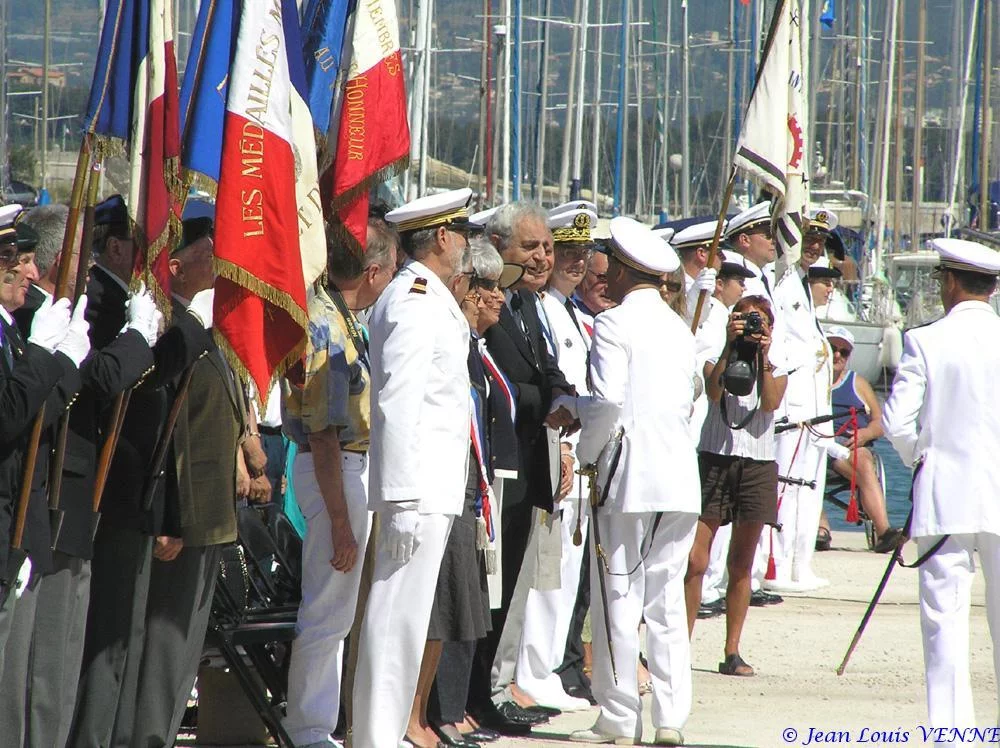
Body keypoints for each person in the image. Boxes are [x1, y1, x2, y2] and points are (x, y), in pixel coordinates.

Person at [0, 204, 159, 748]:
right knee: (39, 665)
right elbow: (100, 377)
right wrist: (138, 336)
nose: (90, 267)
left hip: (65, 494)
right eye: (82, 254)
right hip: (47, 496)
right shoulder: (34, 316)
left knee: (56, 657)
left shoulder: (49, 314)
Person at [69, 195, 214, 748]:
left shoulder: (131, 303)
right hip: (110, 492)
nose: (152, 253)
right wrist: (186, 326)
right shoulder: (99, 306)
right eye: (142, 242)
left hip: (137, 496)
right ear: (114, 246)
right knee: (105, 644)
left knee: (121, 642)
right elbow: (132, 388)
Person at [552, 216, 699, 746]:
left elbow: (609, 403)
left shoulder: (613, 324)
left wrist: (586, 451)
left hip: (629, 476)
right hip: (680, 479)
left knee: (619, 591)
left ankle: (618, 716)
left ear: (618, 269)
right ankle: (671, 717)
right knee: (665, 599)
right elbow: (688, 402)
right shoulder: (679, 331)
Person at [351, 188, 474, 748]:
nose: (468, 246)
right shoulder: (416, 300)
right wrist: (397, 499)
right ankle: (376, 736)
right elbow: (396, 401)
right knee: (395, 617)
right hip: (416, 491)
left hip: (429, 488)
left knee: (406, 617)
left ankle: (383, 732)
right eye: (464, 234)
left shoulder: (425, 297)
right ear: (443, 237)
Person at [280, 214, 397, 748]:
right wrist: (344, 525)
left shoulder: (341, 316)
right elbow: (323, 432)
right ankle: (308, 728)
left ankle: (317, 725)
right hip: (335, 469)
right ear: (371, 271)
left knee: (338, 611)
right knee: (327, 610)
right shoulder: (324, 322)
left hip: (347, 468)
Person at [881, 238, 1000, 738]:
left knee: (943, 621)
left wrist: (921, 459)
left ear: (951, 282)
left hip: (945, 494)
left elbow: (896, 421)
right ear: (991, 288)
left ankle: (951, 734)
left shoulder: (926, 340)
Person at [471, 201, 574, 734]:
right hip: (498, 466)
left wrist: (566, 400)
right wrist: (549, 399)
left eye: (547, 248)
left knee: (511, 590)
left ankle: (490, 689)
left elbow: (549, 371)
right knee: (487, 591)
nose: (541, 258)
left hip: (532, 464)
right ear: (498, 246)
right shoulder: (487, 303)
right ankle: (472, 698)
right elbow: (509, 382)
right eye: (530, 247)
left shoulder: (530, 306)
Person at [429, 240, 520, 747]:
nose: (498, 297)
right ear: (467, 291)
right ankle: (444, 709)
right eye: (488, 286)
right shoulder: (460, 341)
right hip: (453, 484)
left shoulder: (478, 346)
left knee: (470, 599)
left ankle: (457, 705)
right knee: (452, 600)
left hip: (474, 487)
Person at [512, 207, 597, 713]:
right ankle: (533, 670)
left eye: (575, 254)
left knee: (560, 576)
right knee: (545, 575)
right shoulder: (540, 308)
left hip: (569, 452)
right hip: (554, 451)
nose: (569, 262)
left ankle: (542, 669)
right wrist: (563, 446)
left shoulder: (562, 311)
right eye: (563, 252)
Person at [0, 206, 86, 673]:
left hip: (17, 517)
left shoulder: (9, 332)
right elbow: (10, 416)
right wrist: (49, 358)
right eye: (15, 258)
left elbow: (32, 416)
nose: (31, 272)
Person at [684, 295, 788, 679]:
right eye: (744, 320)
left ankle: (731, 651)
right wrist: (731, 346)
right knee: (696, 561)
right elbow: (713, 393)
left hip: (757, 463)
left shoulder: (779, 359)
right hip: (714, 457)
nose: (752, 328)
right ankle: (681, 644)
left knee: (741, 564)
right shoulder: (717, 353)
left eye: (759, 322)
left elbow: (770, 402)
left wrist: (762, 355)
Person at [765, 211, 841, 593]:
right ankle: (778, 567)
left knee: (806, 492)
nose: (813, 247)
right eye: (808, 239)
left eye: (820, 243)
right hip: (792, 412)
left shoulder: (799, 287)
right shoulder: (782, 283)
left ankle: (799, 564)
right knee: (788, 491)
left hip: (810, 416)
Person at [815, 326, 901, 554]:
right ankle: (820, 527)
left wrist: (865, 434)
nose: (837, 356)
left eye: (843, 352)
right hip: (817, 445)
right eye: (832, 349)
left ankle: (884, 532)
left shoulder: (857, 383)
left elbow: (878, 422)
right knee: (807, 460)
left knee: (862, 460)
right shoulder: (809, 381)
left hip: (849, 448)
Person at [669, 221, 720, 325]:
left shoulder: (707, 289)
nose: (724, 258)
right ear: (701, 254)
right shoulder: (676, 292)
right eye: (719, 252)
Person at [574, 247, 614, 318]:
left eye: (616, 280)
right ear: (583, 272)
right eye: (603, 277)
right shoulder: (564, 312)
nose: (610, 287)